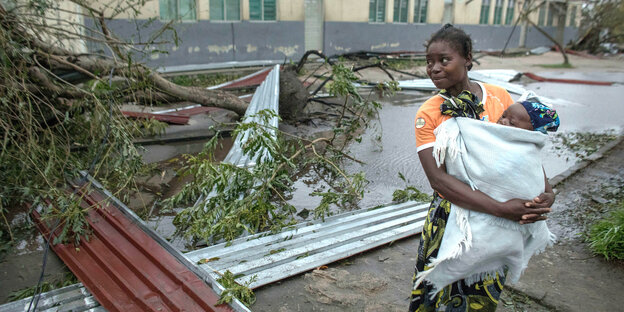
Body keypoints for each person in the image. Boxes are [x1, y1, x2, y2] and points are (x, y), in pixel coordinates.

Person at [409, 24, 555, 312]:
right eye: (429, 62)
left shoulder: (499, 97)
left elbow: (523, 149)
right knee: (435, 291)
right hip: (452, 214)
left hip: (499, 222)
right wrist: (502, 209)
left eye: (444, 60)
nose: (434, 68)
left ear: (468, 59)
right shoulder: (428, 113)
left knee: (480, 294)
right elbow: (438, 181)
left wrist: (546, 191)